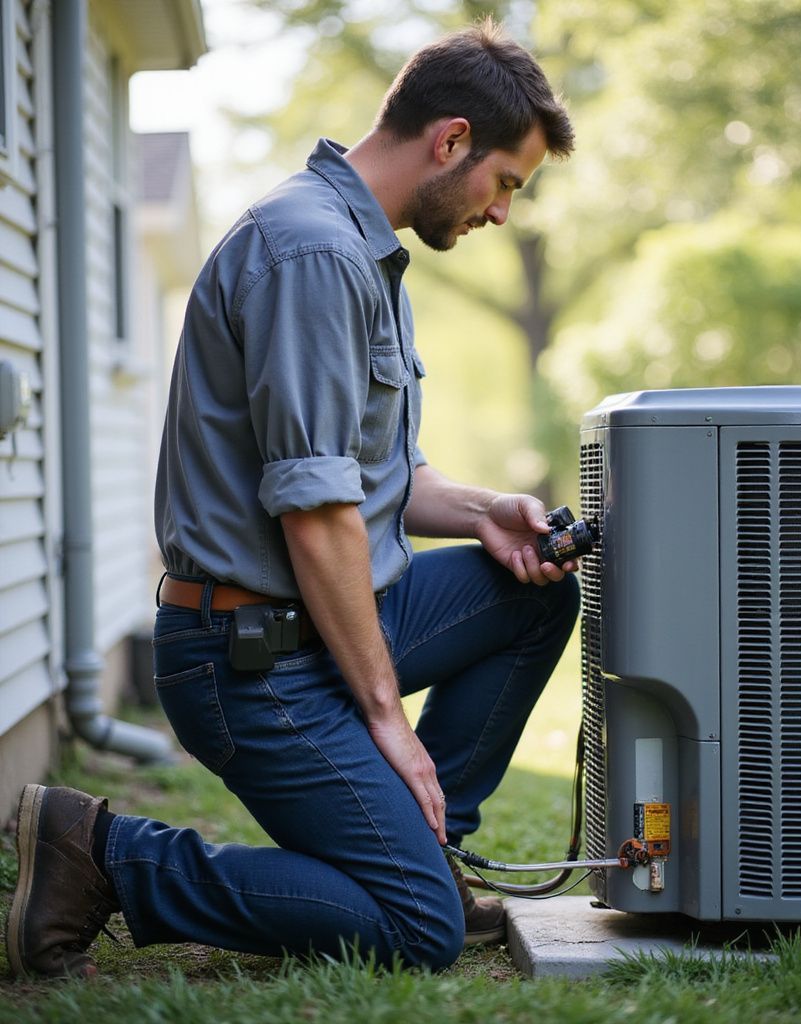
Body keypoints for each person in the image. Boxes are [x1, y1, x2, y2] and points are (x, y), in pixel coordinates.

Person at [5, 20, 578, 979]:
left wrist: (488, 513)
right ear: (449, 142)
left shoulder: (365, 254)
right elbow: (316, 515)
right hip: (251, 662)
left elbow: (382, 483)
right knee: (417, 930)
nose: (500, 212)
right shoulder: (313, 255)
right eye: (505, 182)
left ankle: (421, 848)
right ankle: (103, 855)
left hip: (317, 624)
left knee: (533, 592)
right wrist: (389, 718)